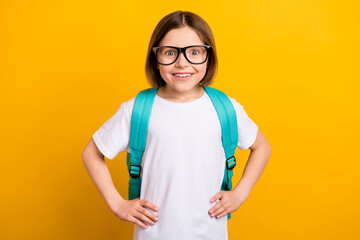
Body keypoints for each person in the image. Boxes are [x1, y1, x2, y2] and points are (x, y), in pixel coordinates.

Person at [82, 10, 271, 240]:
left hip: (210, 233)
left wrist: (239, 194)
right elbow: (92, 152)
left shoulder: (226, 108)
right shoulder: (136, 110)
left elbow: (262, 147)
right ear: (156, 58)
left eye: (194, 52)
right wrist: (118, 204)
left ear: (208, 57)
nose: (182, 63)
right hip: (153, 234)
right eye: (170, 52)